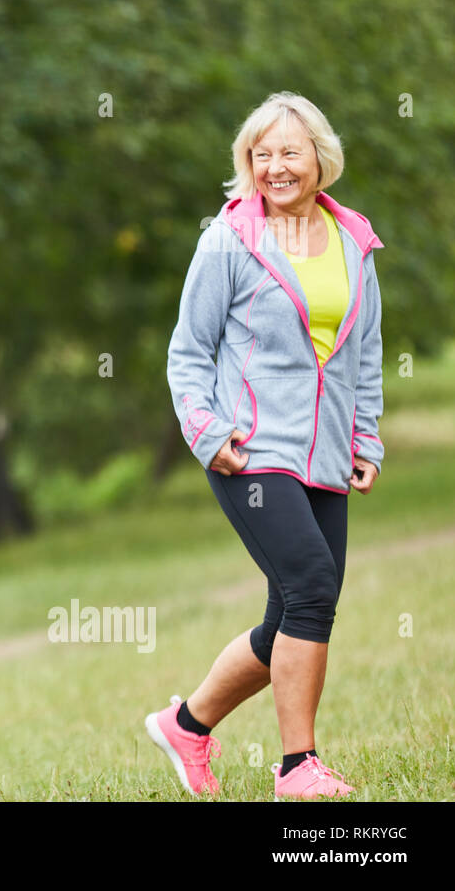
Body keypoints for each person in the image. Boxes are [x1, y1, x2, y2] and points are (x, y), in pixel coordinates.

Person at [149, 92, 384, 799]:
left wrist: (365, 434)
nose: (276, 167)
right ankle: (297, 768)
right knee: (313, 586)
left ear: (320, 158)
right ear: (247, 165)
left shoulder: (353, 242)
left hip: (327, 454)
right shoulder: (228, 239)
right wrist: (207, 433)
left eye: (290, 152)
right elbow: (188, 351)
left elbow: (364, 352)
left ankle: (187, 725)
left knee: (292, 610)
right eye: (262, 154)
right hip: (250, 451)